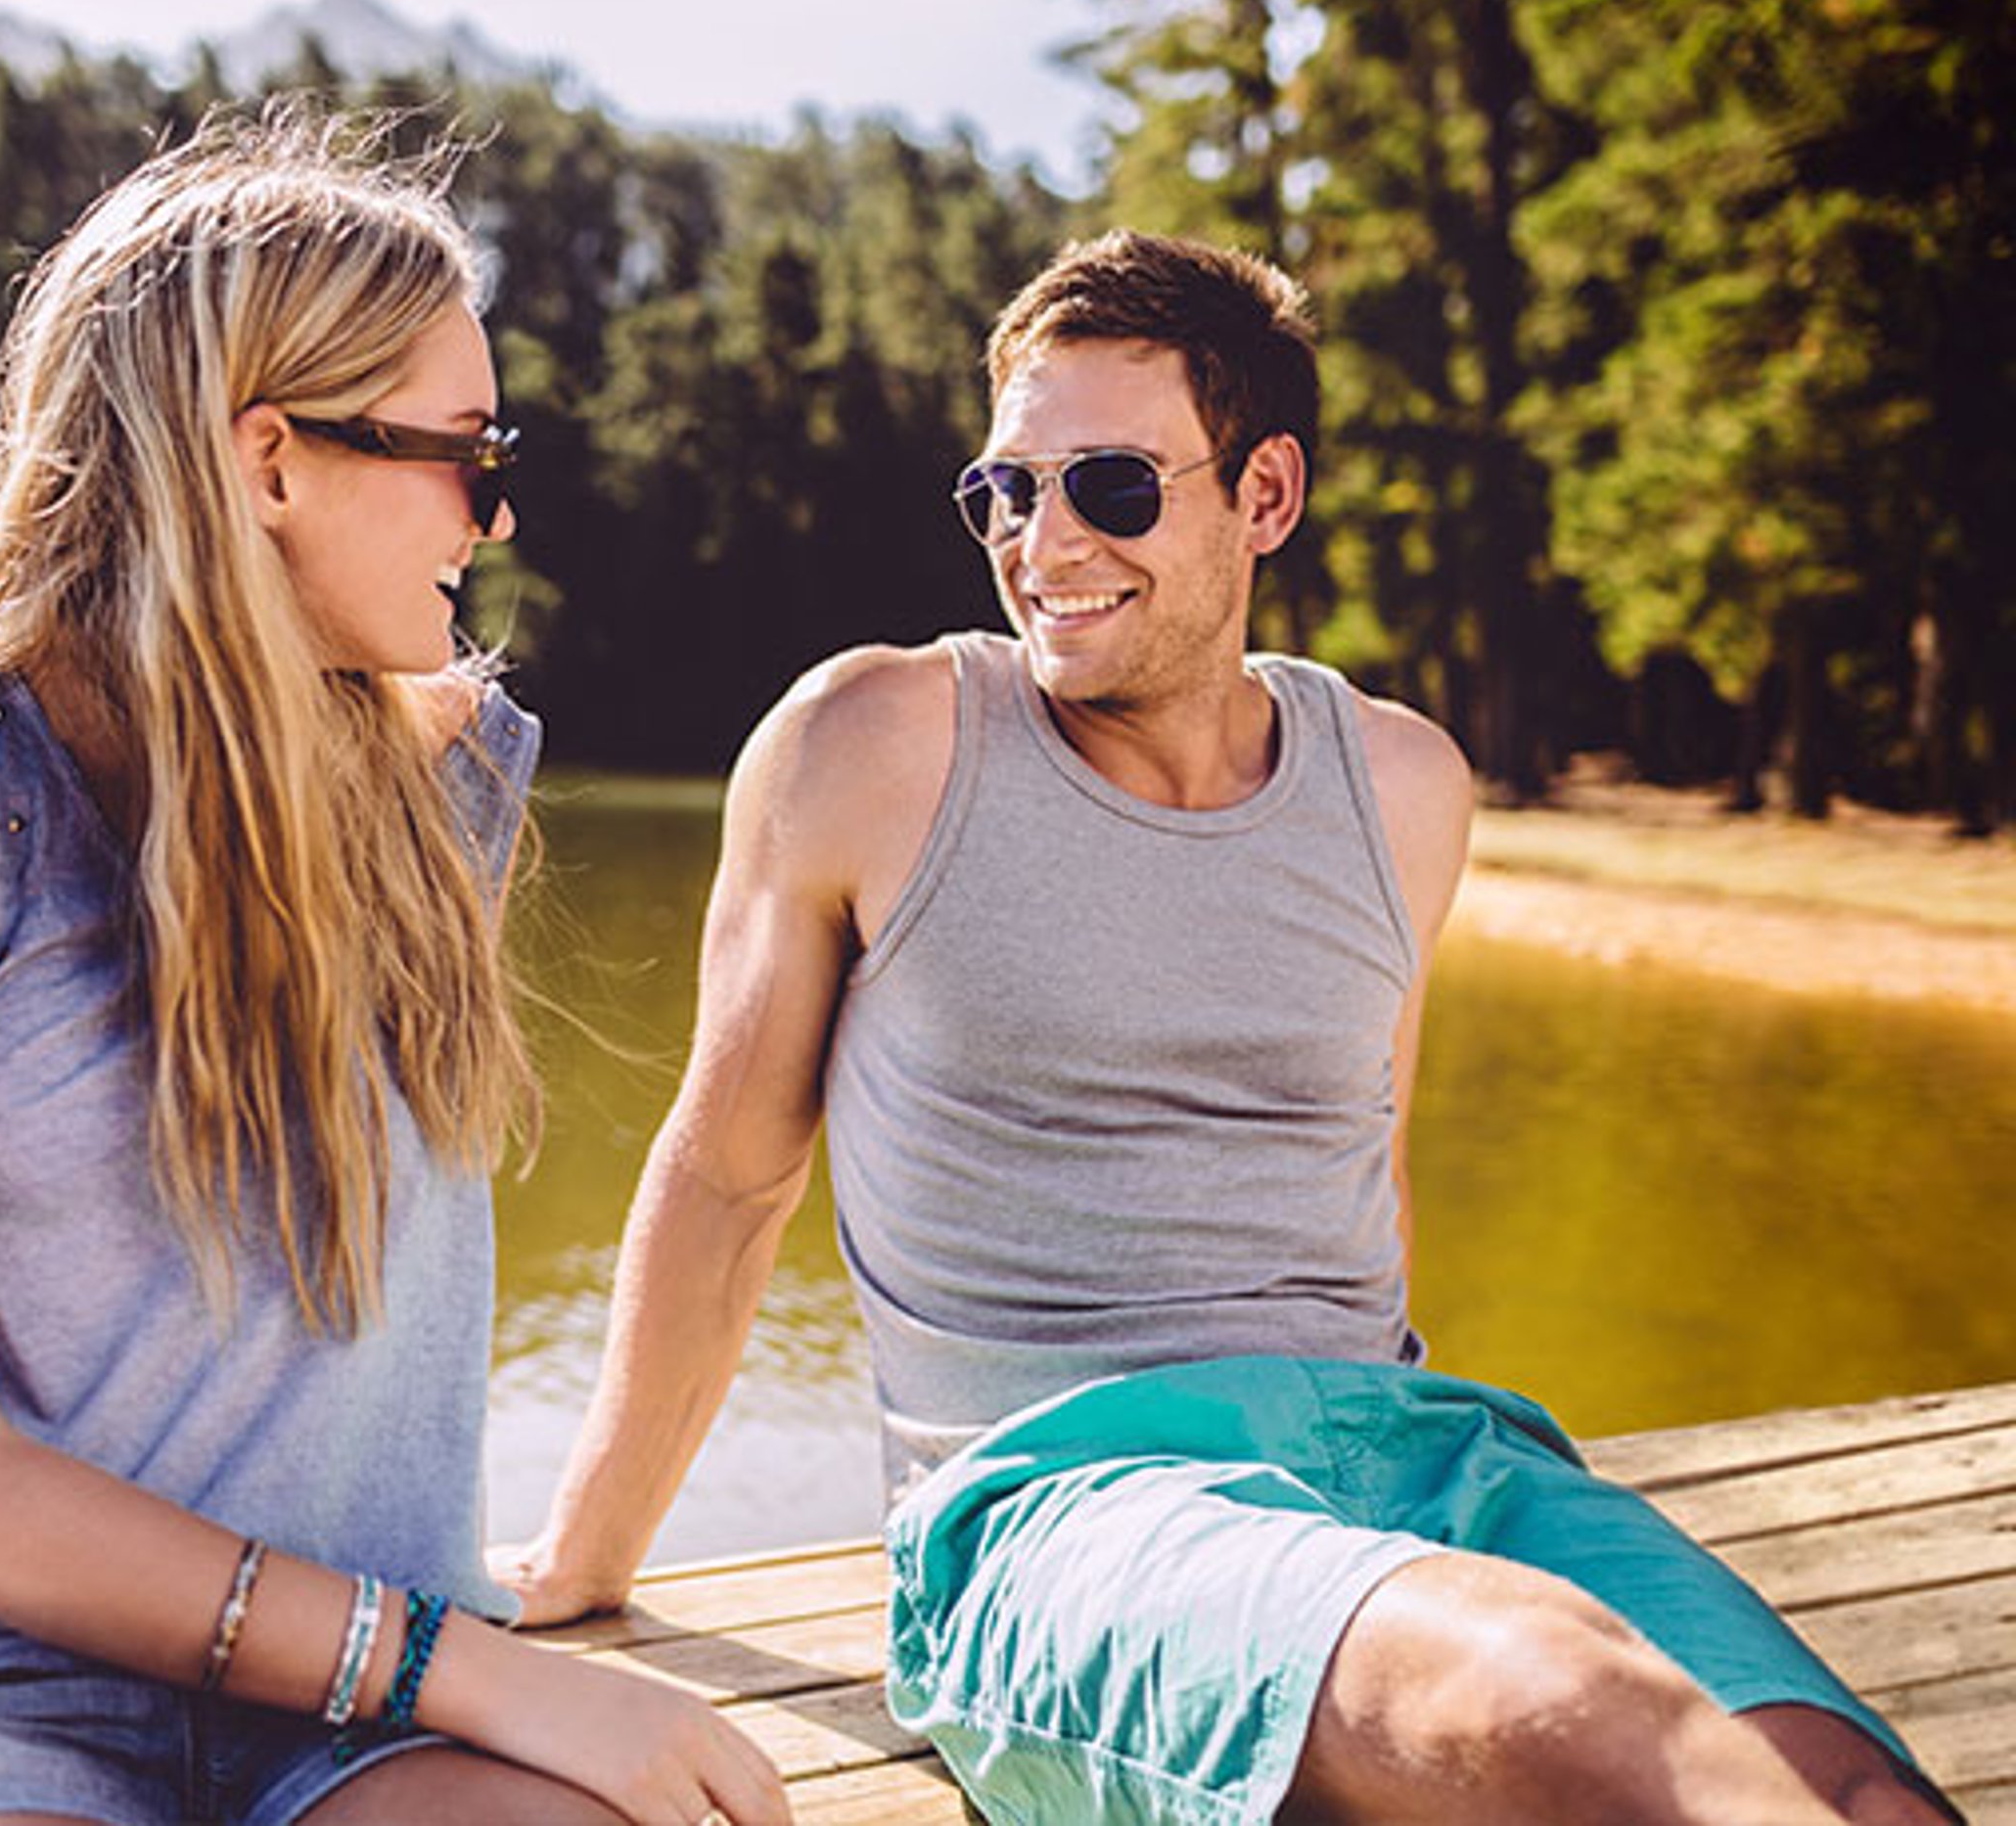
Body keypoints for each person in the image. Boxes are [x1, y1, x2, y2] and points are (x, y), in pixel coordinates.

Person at [497, 230, 1952, 1825]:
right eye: (1005, 491)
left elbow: (1365, 1176)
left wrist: (1412, 1521)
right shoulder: (877, 744)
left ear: (1264, 496)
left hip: (1426, 1461)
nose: (1043, 542)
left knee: (1856, 1788)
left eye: (1110, 486)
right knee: (1556, 1700)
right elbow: (726, 1181)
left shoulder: (1403, 787)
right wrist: (586, 1560)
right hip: (1061, 1506)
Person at [0, 108, 788, 1826]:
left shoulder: (451, 784)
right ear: (267, 460)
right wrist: (474, 1667)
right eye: (467, 453)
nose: (490, 519)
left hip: (360, 1744)